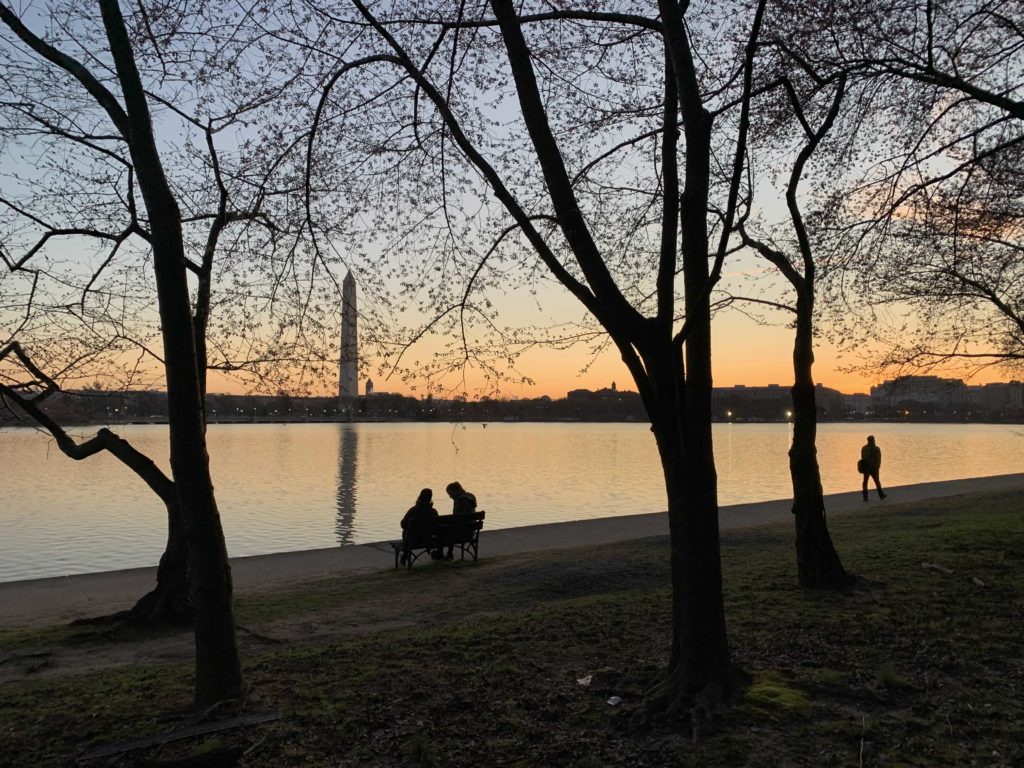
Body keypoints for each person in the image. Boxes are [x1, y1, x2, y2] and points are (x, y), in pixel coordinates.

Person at [438, 481, 477, 560]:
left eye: (450, 494)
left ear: (456, 491)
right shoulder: (470, 496)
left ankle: (442, 553)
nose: (450, 496)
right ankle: (448, 553)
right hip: (471, 529)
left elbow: (458, 518)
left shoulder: (460, 500)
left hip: (463, 531)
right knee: (447, 528)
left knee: (442, 530)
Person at [400, 488, 437, 565]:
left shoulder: (413, 510)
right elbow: (436, 526)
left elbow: (403, 524)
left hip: (413, 540)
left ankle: (405, 554)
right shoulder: (433, 511)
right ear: (430, 498)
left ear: (419, 497)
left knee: (406, 531)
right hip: (428, 539)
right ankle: (439, 554)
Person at [860, 435, 886, 501]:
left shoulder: (864, 448)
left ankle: (865, 497)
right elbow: (878, 459)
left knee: (865, 482)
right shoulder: (876, 448)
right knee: (877, 481)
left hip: (866, 467)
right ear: (873, 440)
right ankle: (881, 495)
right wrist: (878, 466)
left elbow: (862, 457)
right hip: (874, 468)